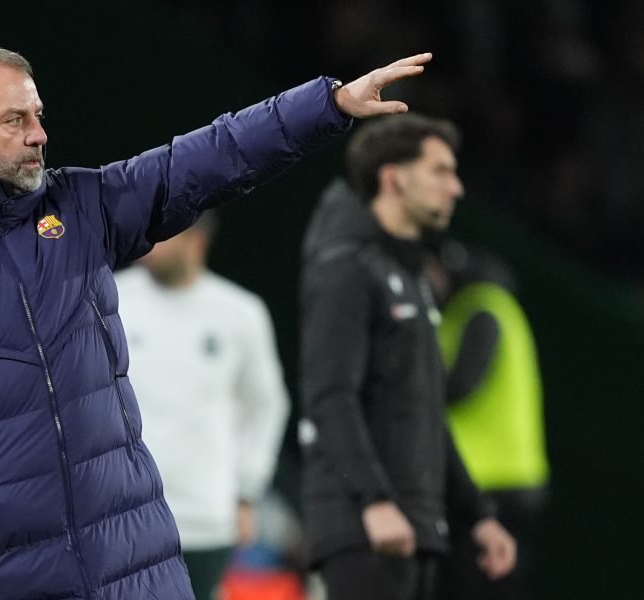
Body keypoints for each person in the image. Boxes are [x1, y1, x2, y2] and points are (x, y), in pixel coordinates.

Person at [0, 43, 433, 599]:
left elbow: (205, 158)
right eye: (15, 120)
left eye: (38, 115)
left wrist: (328, 105)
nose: (39, 134)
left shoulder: (79, 209)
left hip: (129, 563)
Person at [298, 115, 517, 600]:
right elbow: (330, 398)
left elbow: (427, 411)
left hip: (415, 526)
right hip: (366, 529)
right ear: (393, 177)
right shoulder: (345, 269)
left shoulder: (412, 278)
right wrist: (373, 501)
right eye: (440, 171)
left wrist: (478, 515)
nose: (456, 188)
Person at [115, 213, 290, 600]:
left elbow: (266, 406)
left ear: (196, 240)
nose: (148, 244)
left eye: (161, 235)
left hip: (206, 516)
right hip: (125, 516)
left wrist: (248, 491)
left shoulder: (241, 313)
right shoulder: (111, 301)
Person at [427, 240, 550, 600]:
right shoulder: (490, 307)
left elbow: (462, 384)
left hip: (490, 481)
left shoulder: (480, 309)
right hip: (506, 477)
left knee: (466, 585)